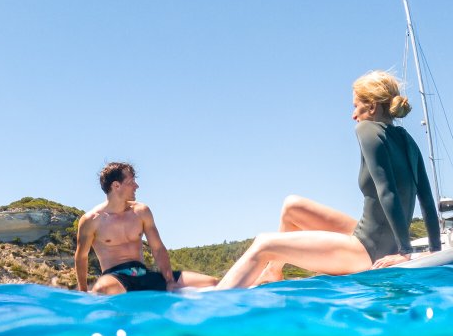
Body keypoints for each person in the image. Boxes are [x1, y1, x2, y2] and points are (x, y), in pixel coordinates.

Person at [216, 70, 442, 289]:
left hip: (366, 250)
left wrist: (404, 252)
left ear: (372, 107)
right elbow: (427, 200)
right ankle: (273, 271)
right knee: (292, 206)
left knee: (264, 244)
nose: (353, 114)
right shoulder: (407, 140)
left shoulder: (367, 129)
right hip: (375, 236)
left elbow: (387, 191)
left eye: (356, 106)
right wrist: (434, 248)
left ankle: (210, 309)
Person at [74, 162, 218, 294]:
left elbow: (158, 248)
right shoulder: (91, 220)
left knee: (214, 282)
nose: (137, 186)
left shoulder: (141, 211)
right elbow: (81, 257)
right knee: (102, 288)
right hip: (116, 277)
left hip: (144, 274)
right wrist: (83, 292)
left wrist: (169, 280)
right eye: (131, 182)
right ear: (116, 186)